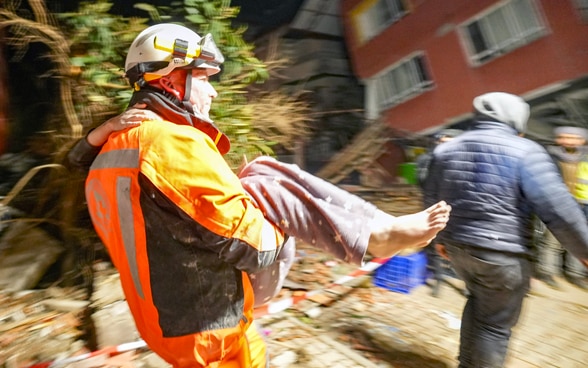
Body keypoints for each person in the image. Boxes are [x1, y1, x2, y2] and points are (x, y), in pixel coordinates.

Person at [67, 23, 451, 368]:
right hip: (210, 332)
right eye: (203, 77)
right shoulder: (168, 143)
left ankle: (377, 231)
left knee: (260, 175)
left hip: (162, 320)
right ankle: (377, 234)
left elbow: (86, 167)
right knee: (265, 181)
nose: (213, 91)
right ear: (170, 82)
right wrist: (281, 219)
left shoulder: (111, 149)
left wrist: (96, 135)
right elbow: (255, 249)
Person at [423, 92, 588, 368]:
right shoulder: (526, 151)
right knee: (495, 326)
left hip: (458, 248)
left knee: (477, 303)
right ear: (515, 119)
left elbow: (431, 200)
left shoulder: (445, 149)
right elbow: (558, 209)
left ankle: (466, 364)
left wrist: (438, 238)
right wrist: (584, 249)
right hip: (502, 254)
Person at [535, 126, 588, 290]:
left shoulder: (585, 158)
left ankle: (575, 273)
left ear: (582, 140)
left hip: (582, 206)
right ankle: (546, 271)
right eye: (564, 137)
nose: (568, 141)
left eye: (574, 138)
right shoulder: (549, 156)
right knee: (552, 241)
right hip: (557, 205)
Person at [416, 128, 462, 297]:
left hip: (455, 208)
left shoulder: (462, 159)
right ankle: (439, 280)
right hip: (433, 207)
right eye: (443, 142)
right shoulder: (427, 160)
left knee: (455, 243)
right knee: (434, 242)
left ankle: (459, 277)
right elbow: (421, 182)